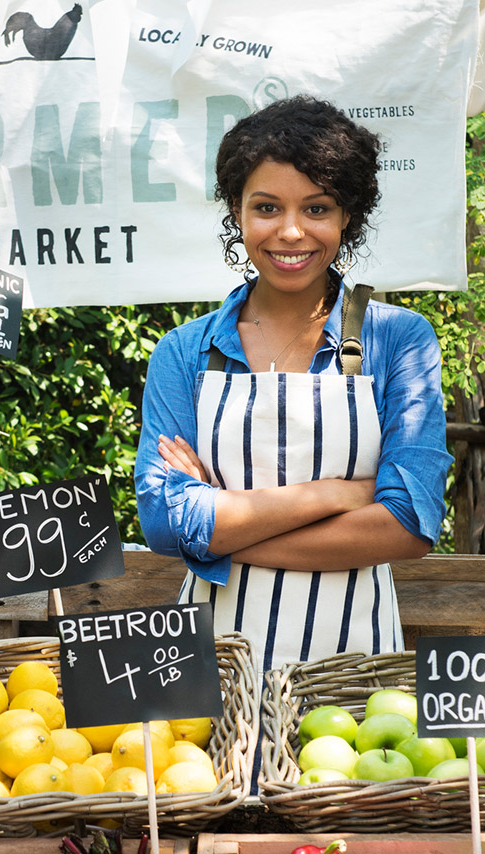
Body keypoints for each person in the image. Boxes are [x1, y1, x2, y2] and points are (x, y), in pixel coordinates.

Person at [134, 95, 452, 678]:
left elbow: (409, 525)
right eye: (266, 207)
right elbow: (161, 521)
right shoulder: (184, 353)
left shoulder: (399, 341)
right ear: (236, 211)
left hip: (354, 677)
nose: (290, 231)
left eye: (316, 208)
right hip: (207, 670)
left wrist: (214, 533)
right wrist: (338, 493)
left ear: (346, 215)